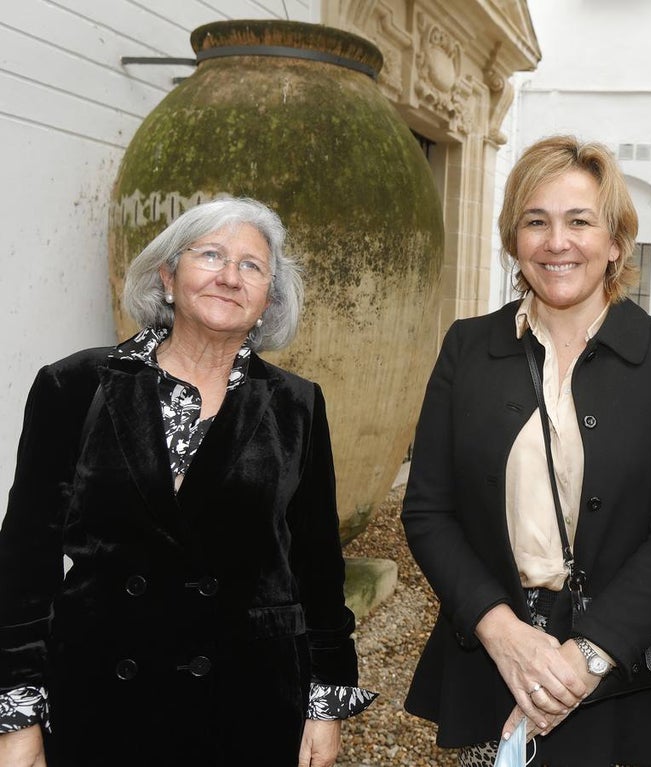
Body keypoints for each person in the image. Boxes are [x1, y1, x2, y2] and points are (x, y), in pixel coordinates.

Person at [0, 197, 375, 767]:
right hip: (99, 698)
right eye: (211, 255)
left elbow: (318, 568)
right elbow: (26, 562)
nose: (230, 276)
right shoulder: (73, 386)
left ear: (268, 300)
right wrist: (17, 716)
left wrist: (324, 705)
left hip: (247, 701)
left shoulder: (297, 405)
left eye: (251, 265)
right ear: (167, 277)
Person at [402, 135, 651, 766]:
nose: (557, 241)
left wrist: (586, 658)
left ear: (615, 242)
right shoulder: (467, 349)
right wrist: (502, 634)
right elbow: (429, 511)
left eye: (579, 221)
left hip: (625, 670)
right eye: (536, 222)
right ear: (514, 239)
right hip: (493, 661)